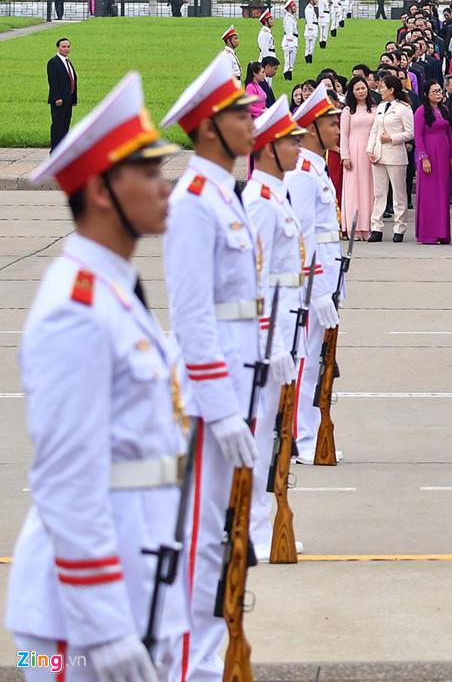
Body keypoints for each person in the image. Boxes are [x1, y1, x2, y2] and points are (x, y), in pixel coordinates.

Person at [9, 73, 187, 682]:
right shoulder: (74, 310)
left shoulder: (114, 290)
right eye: (150, 174)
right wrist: (104, 629)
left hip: (131, 581)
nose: (166, 187)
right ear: (104, 190)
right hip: (71, 621)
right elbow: (64, 480)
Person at [160, 51, 265, 682]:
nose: (251, 119)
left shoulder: (225, 194)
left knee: (222, 541)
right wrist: (221, 407)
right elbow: (193, 316)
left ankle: (205, 661)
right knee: (201, 543)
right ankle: (191, 669)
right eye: (238, 112)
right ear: (207, 127)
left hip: (233, 387)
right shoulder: (197, 200)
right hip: (209, 403)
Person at [241, 99, 305, 560]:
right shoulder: (260, 203)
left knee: (270, 437)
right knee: (261, 438)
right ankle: (254, 529)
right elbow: (257, 280)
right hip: (267, 338)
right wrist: (272, 341)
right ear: (268, 149)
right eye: (291, 141)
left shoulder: (275, 195)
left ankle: (260, 524)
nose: (299, 147)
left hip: (282, 328)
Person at [286, 83, 345, 465]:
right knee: (306, 365)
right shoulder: (303, 174)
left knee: (318, 365)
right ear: (311, 128)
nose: (339, 129)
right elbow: (302, 240)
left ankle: (308, 434)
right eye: (332, 123)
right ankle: (302, 438)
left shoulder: (318, 171)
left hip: (326, 282)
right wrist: (319, 290)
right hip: (311, 288)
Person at [367, 73, 414, 243]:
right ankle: (376, 227)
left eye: (383, 86)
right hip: (379, 154)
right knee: (379, 193)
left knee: (398, 193)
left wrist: (392, 138)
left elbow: (410, 132)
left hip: (395, 154)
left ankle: (399, 227)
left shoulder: (403, 108)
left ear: (391, 89)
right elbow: (374, 130)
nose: (380, 88)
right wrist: (369, 149)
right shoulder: (380, 106)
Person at [413, 81, 452, 245]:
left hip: (444, 155)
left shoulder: (444, 110)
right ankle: (428, 233)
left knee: (442, 194)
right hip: (429, 154)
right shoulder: (421, 112)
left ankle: (442, 232)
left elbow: (449, 134)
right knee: (429, 194)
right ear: (426, 94)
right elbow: (418, 136)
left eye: (440, 91)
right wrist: (424, 158)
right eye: (434, 91)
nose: (438, 94)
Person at [340, 76, 377, 239]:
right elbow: (343, 135)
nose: (361, 91)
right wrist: (345, 155)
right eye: (357, 89)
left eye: (363, 88)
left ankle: (368, 226)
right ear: (352, 92)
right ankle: (353, 228)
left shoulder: (374, 109)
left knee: (369, 189)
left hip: (370, 152)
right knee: (353, 189)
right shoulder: (348, 111)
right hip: (353, 152)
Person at [46, 37, 78, 152]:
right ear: (58, 48)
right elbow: (53, 82)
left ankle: (63, 151)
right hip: (59, 101)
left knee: (66, 125)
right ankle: (55, 151)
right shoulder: (53, 62)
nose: (66, 49)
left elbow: (72, 80)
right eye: (63, 47)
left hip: (68, 101)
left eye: (68, 46)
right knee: (57, 126)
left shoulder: (68, 62)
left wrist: (73, 98)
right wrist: (57, 97)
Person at [303, 0, 320, 65]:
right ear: (311, 0)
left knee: (311, 48)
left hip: (313, 29)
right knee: (309, 48)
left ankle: (309, 62)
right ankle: (308, 62)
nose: (316, 0)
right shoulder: (309, 8)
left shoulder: (311, 8)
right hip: (311, 29)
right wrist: (310, 32)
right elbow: (309, 21)